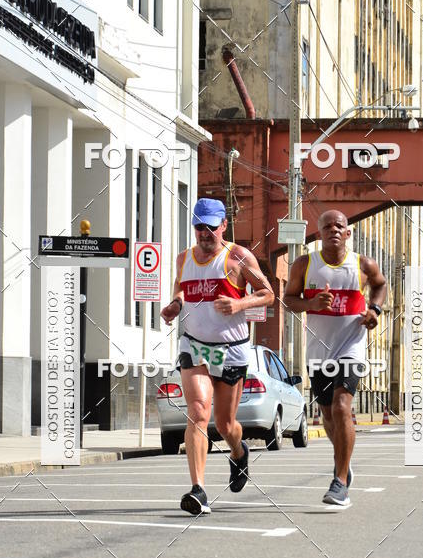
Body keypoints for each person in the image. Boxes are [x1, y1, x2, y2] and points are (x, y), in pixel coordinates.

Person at [161, 198, 274, 515]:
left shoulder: (238, 256)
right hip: (195, 345)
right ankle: (198, 490)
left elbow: (268, 293)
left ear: (224, 225)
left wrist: (239, 304)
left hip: (232, 348)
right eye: (199, 226)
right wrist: (175, 305)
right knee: (197, 411)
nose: (205, 233)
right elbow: (180, 290)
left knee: (225, 425)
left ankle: (238, 452)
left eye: (211, 227)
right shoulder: (184, 258)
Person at [283, 210, 387, 509]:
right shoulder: (305, 264)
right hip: (318, 351)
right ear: (319, 234)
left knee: (342, 407)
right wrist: (311, 303)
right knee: (328, 416)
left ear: (348, 233)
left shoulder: (363, 264)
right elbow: (288, 300)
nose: (334, 230)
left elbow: (380, 285)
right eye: (327, 226)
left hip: (351, 347)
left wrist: (374, 310)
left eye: (339, 226)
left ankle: (340, 482)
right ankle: (344, 460)